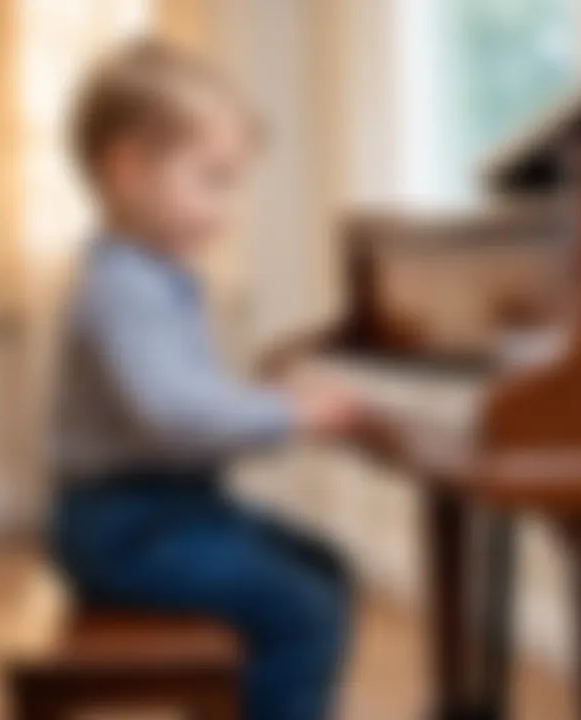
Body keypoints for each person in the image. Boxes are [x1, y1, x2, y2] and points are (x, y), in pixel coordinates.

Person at [49, 38, 363, 720]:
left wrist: (272, 400)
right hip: (126, 528)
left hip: (171, 510)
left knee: (327, 566)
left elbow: (191, 398)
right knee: (300, 606)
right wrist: (290, 416)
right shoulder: (121, 286)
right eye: (213, 179)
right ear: (128, 169)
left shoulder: (157, 278)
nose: (230, 206)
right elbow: (175, 418)